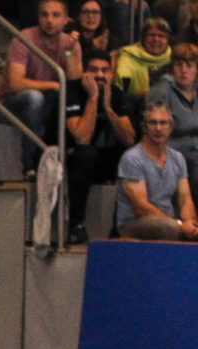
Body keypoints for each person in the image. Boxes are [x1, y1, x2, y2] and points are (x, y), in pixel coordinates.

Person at [0, 0, 84, 173]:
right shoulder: (24, 38)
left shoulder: (70, 43)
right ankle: (30, 163)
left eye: (55, 15)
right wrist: (52, 84)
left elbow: (75, 81)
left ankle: (62, 156)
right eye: (44, 15)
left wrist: (69, 51)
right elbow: (16, 83)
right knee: (34, 97)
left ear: (66, 20)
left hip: (48, 102)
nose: (49, 20)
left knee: (65, 99)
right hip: (10, 103)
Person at [65, 47, 138, 242]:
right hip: (69, 157)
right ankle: (76, 225)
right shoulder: (72, 89)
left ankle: (119, 226)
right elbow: (82, 138)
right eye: (94, 70)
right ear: (84, 71)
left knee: (130, 156)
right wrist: (93, 98)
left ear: (111, 73)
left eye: (105, 70)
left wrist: (108, 108)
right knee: (86, 153)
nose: (99, 75)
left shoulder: (115, 92)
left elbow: (129, 138)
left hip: (100, 157)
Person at [115, 100, 198, 237]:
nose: (158, 128)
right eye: (153, 123)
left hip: (169, 221)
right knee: (169, 228)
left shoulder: (177, 158)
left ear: (171, 127)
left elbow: (185, 198)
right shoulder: (132, 158)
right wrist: (179, 224)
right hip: (134, 223)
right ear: (145, 127)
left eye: (163, 123)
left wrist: (189, 222)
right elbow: (141, 207)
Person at [147, 42, 198, 200]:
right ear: (172, 67)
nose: (184, 70)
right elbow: (155, 130)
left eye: (189, 65)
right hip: (170, 148)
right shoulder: (161, 92)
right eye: (179, 65)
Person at [112, 16, 173, 117]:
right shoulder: (127, 57)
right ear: (143, 38)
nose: (156, 39)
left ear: (168, 40)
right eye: (151, 35)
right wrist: (138, 97)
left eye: (161, 36)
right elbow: (119, 98)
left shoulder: (174, 60)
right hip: (133, 114)